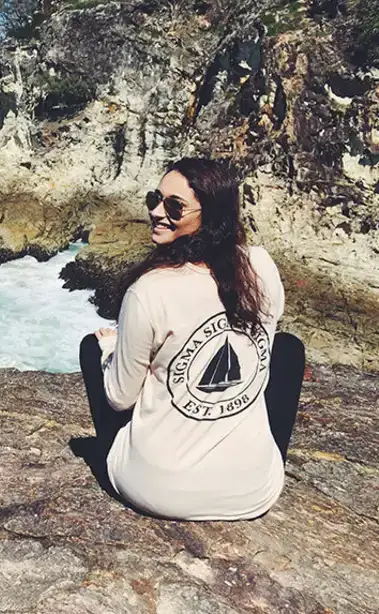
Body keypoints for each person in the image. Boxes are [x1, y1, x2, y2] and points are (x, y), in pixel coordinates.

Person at [79, 157, 305, 521]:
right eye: (154, 199)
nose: (156, 212)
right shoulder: (260, 266)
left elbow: (120, 399)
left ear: (210, 215)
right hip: (252, 492)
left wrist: (111, 351)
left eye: (174, 206)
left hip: (157, 492)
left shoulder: (149, 290)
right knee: (287, 349)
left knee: (92, 347)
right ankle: (249, 461)